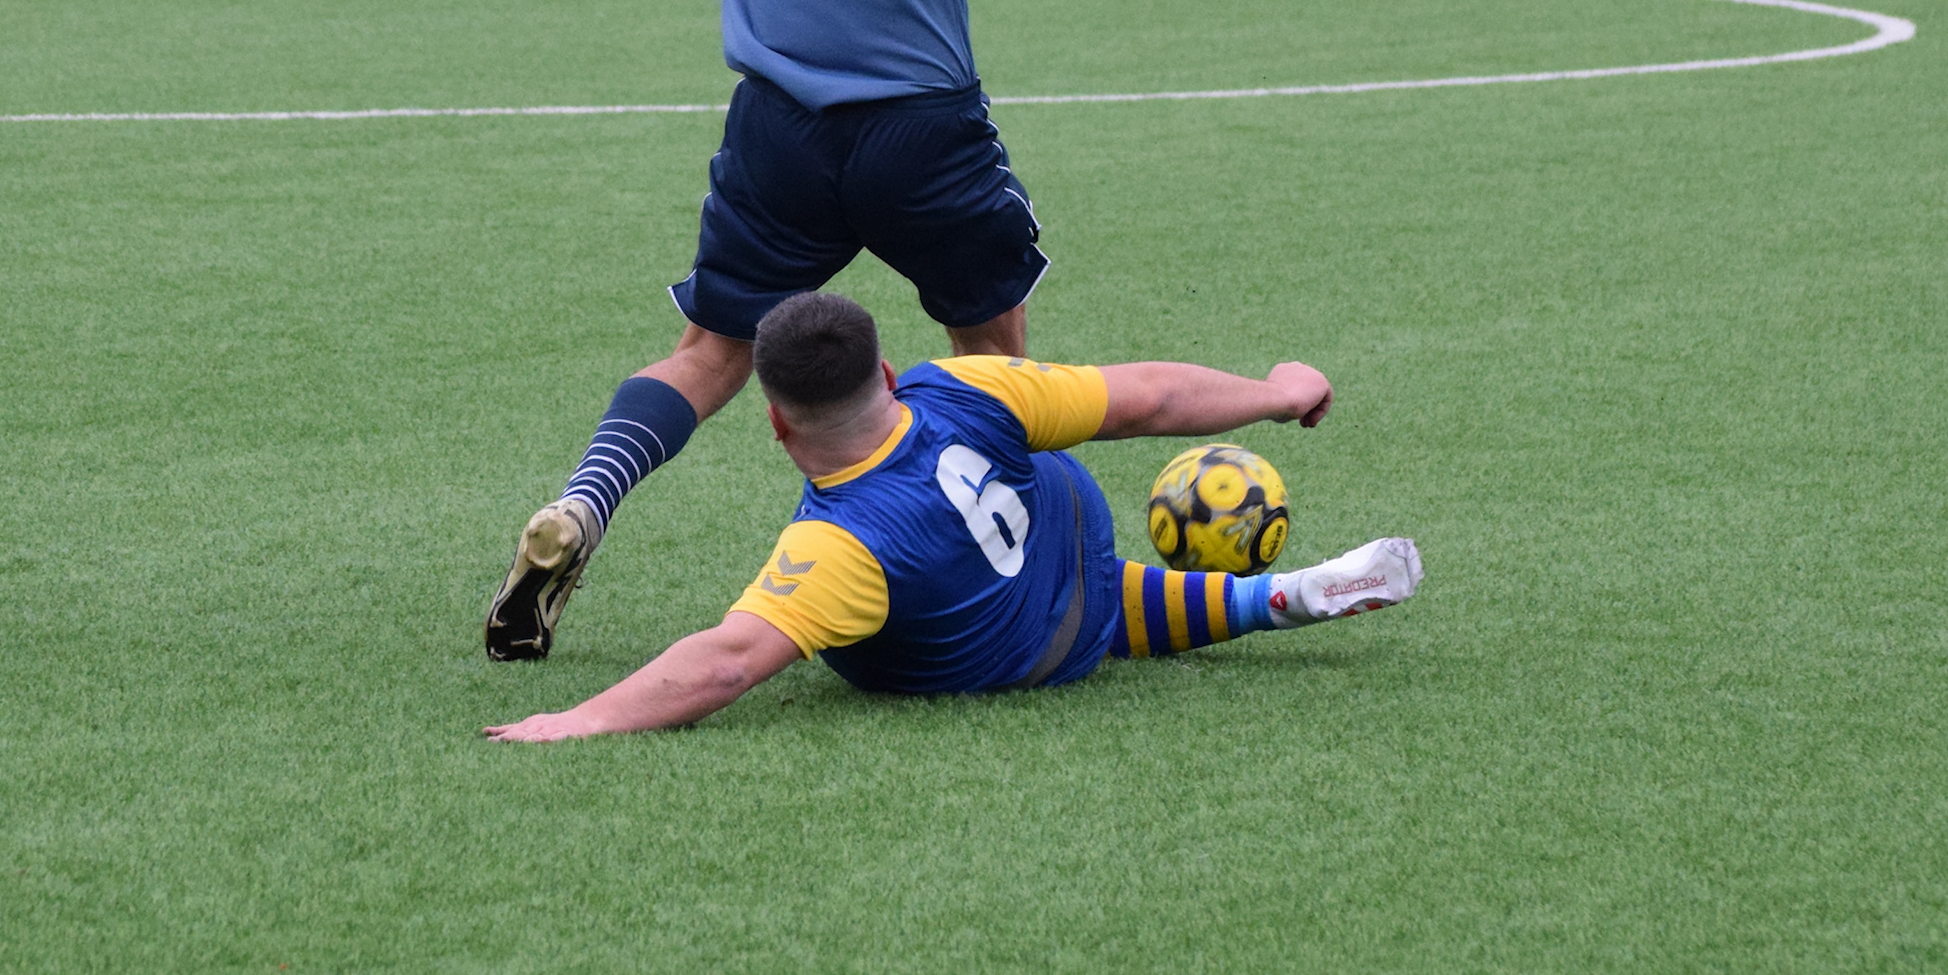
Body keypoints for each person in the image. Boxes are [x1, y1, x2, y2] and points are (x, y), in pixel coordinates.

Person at [484, 0, 1265, 663]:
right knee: (995, 357)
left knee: (710, 351)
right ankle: (1008, 555)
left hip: (777, 124)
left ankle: (581, 501)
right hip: (917, 124)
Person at [485, 292, 1423, 741]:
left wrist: (575, 718)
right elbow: (1147, 398)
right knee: (1083, 586)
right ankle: (1283, 594)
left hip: (1013, 658)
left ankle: (1278, 596)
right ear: (887, 375)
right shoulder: (963, 383)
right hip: (1077, 564)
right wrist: (1272, 390)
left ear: (775, 423)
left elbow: (729, 659)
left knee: (968, 600)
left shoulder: (837, 541)